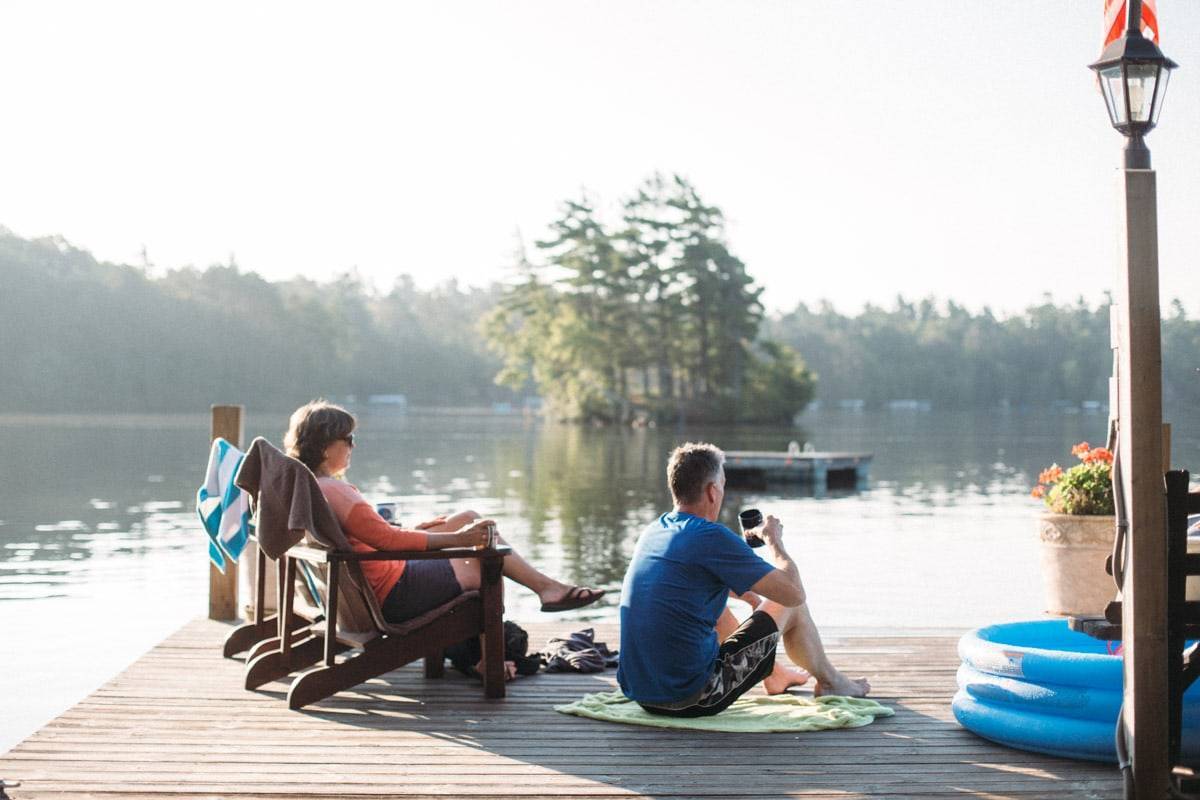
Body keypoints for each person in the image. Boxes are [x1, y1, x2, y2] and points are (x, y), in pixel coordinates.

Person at [283, 400, 605, 662]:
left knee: (468, 516)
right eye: (348, 440)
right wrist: (459, 540)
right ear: (327, 447)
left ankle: (546, 589)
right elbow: (387, 541)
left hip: (375, 582)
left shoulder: (314, 486)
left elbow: (376, 536)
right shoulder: (336, 490)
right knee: (484, 559)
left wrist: (423, 531)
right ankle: (487, 658)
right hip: (393, 593)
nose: (353, 446)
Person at [617, 442, 868, 717]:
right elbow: (794, 593)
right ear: (712, 491)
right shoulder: (712, 536)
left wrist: (741, 592)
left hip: (642, 693)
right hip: (694, 697)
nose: (723, 492)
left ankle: (775, 675)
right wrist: (774, 541)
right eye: (723, 484)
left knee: (713, 605)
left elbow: (684, 582)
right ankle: (832, 681)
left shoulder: (655, 530)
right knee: (788, 604)